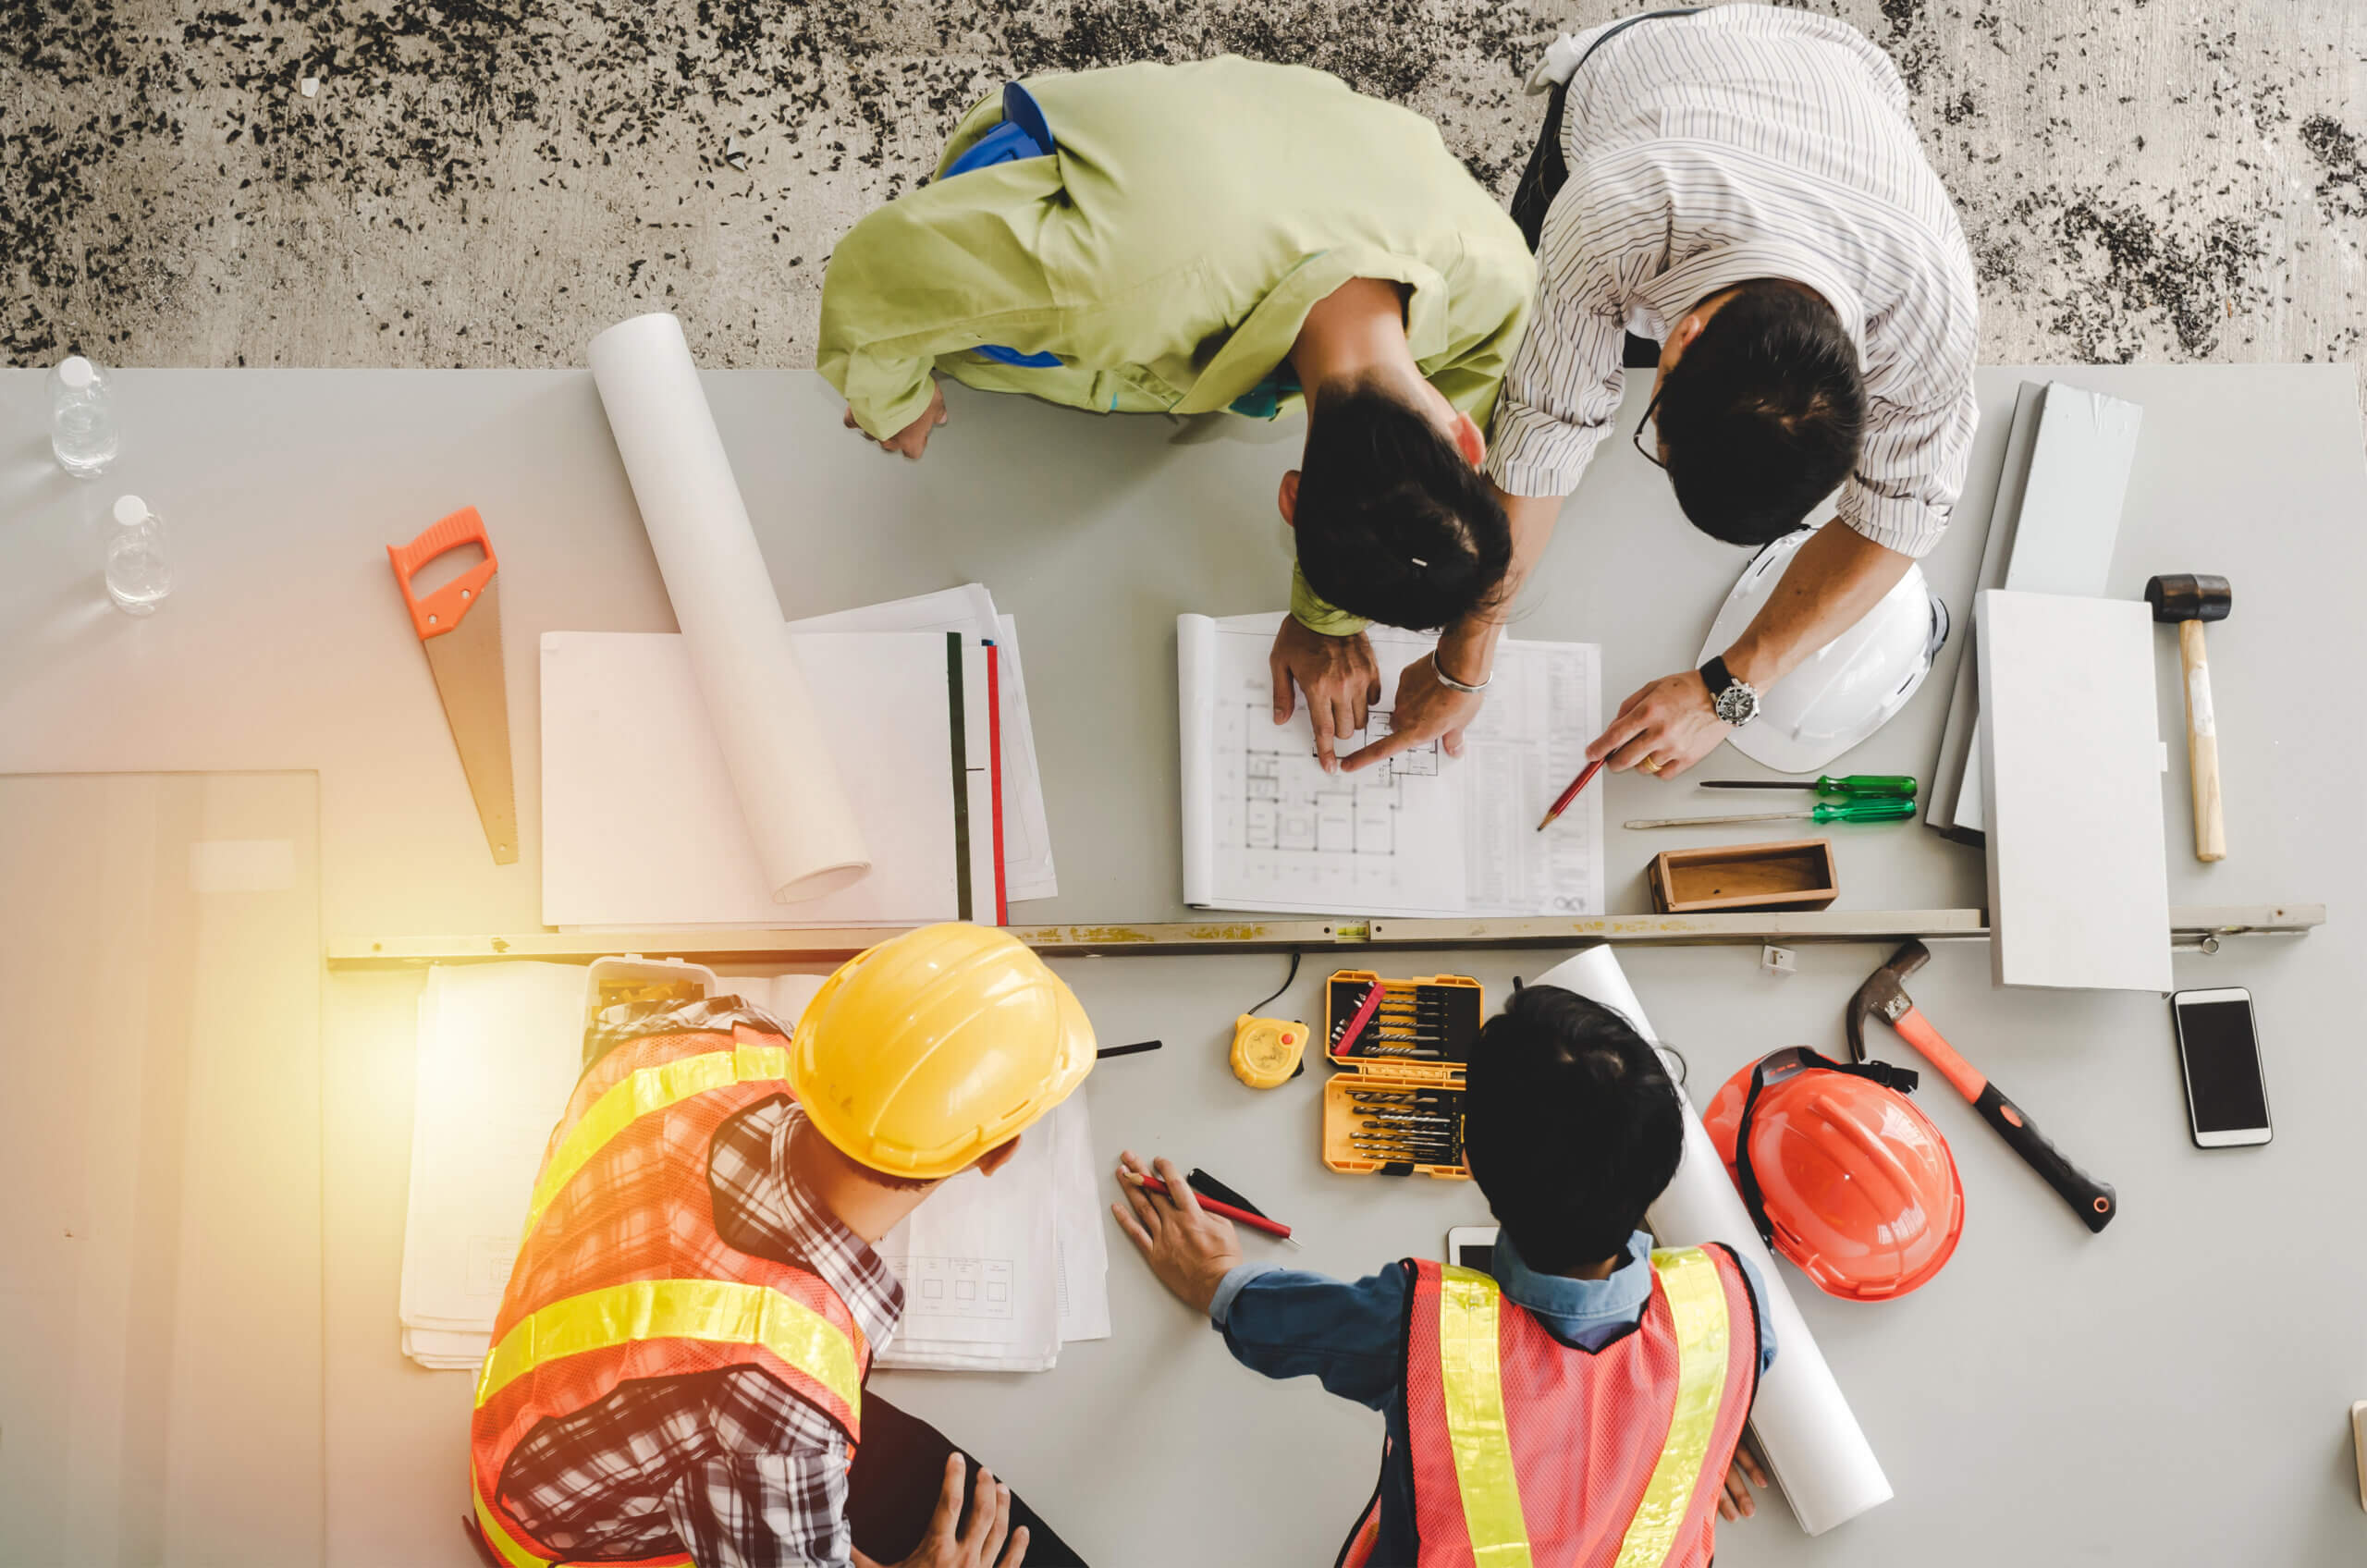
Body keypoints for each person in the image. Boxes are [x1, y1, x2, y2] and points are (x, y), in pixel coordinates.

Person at [817, 58, 1535, 771]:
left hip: (1258, 161)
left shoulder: (1500, 281)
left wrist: (1325, 621)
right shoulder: (1102, 294)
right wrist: (895, 398)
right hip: (1054, 203)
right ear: (1287, 498)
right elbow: (875, 277)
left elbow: (1411, 484)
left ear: (1467, 437)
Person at [1343, 5, 1980, 782]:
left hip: (1847, 103)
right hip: (1654, 68)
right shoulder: (1615, 212)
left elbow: (1899, 521)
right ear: (1678, 340)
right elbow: (1548, 430)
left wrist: (1729, 689)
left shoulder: (1930, 316)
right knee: (1515, 328)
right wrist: (1462, 662)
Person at [466, 924, 1096, 1568]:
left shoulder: (711, 1033)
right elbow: (767, 1416)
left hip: (546, 1410)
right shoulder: (783, 1386)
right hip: (574, 1538)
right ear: (995, 1153)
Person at [1115, 982, 1777, 1564]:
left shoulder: (1420, 1330)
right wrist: (1696, 1424)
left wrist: (1214, 1278)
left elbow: (1276, 1324)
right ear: (1664, 1168)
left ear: (1466, 1158)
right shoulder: (1729, 1302)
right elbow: (1744, 1356)